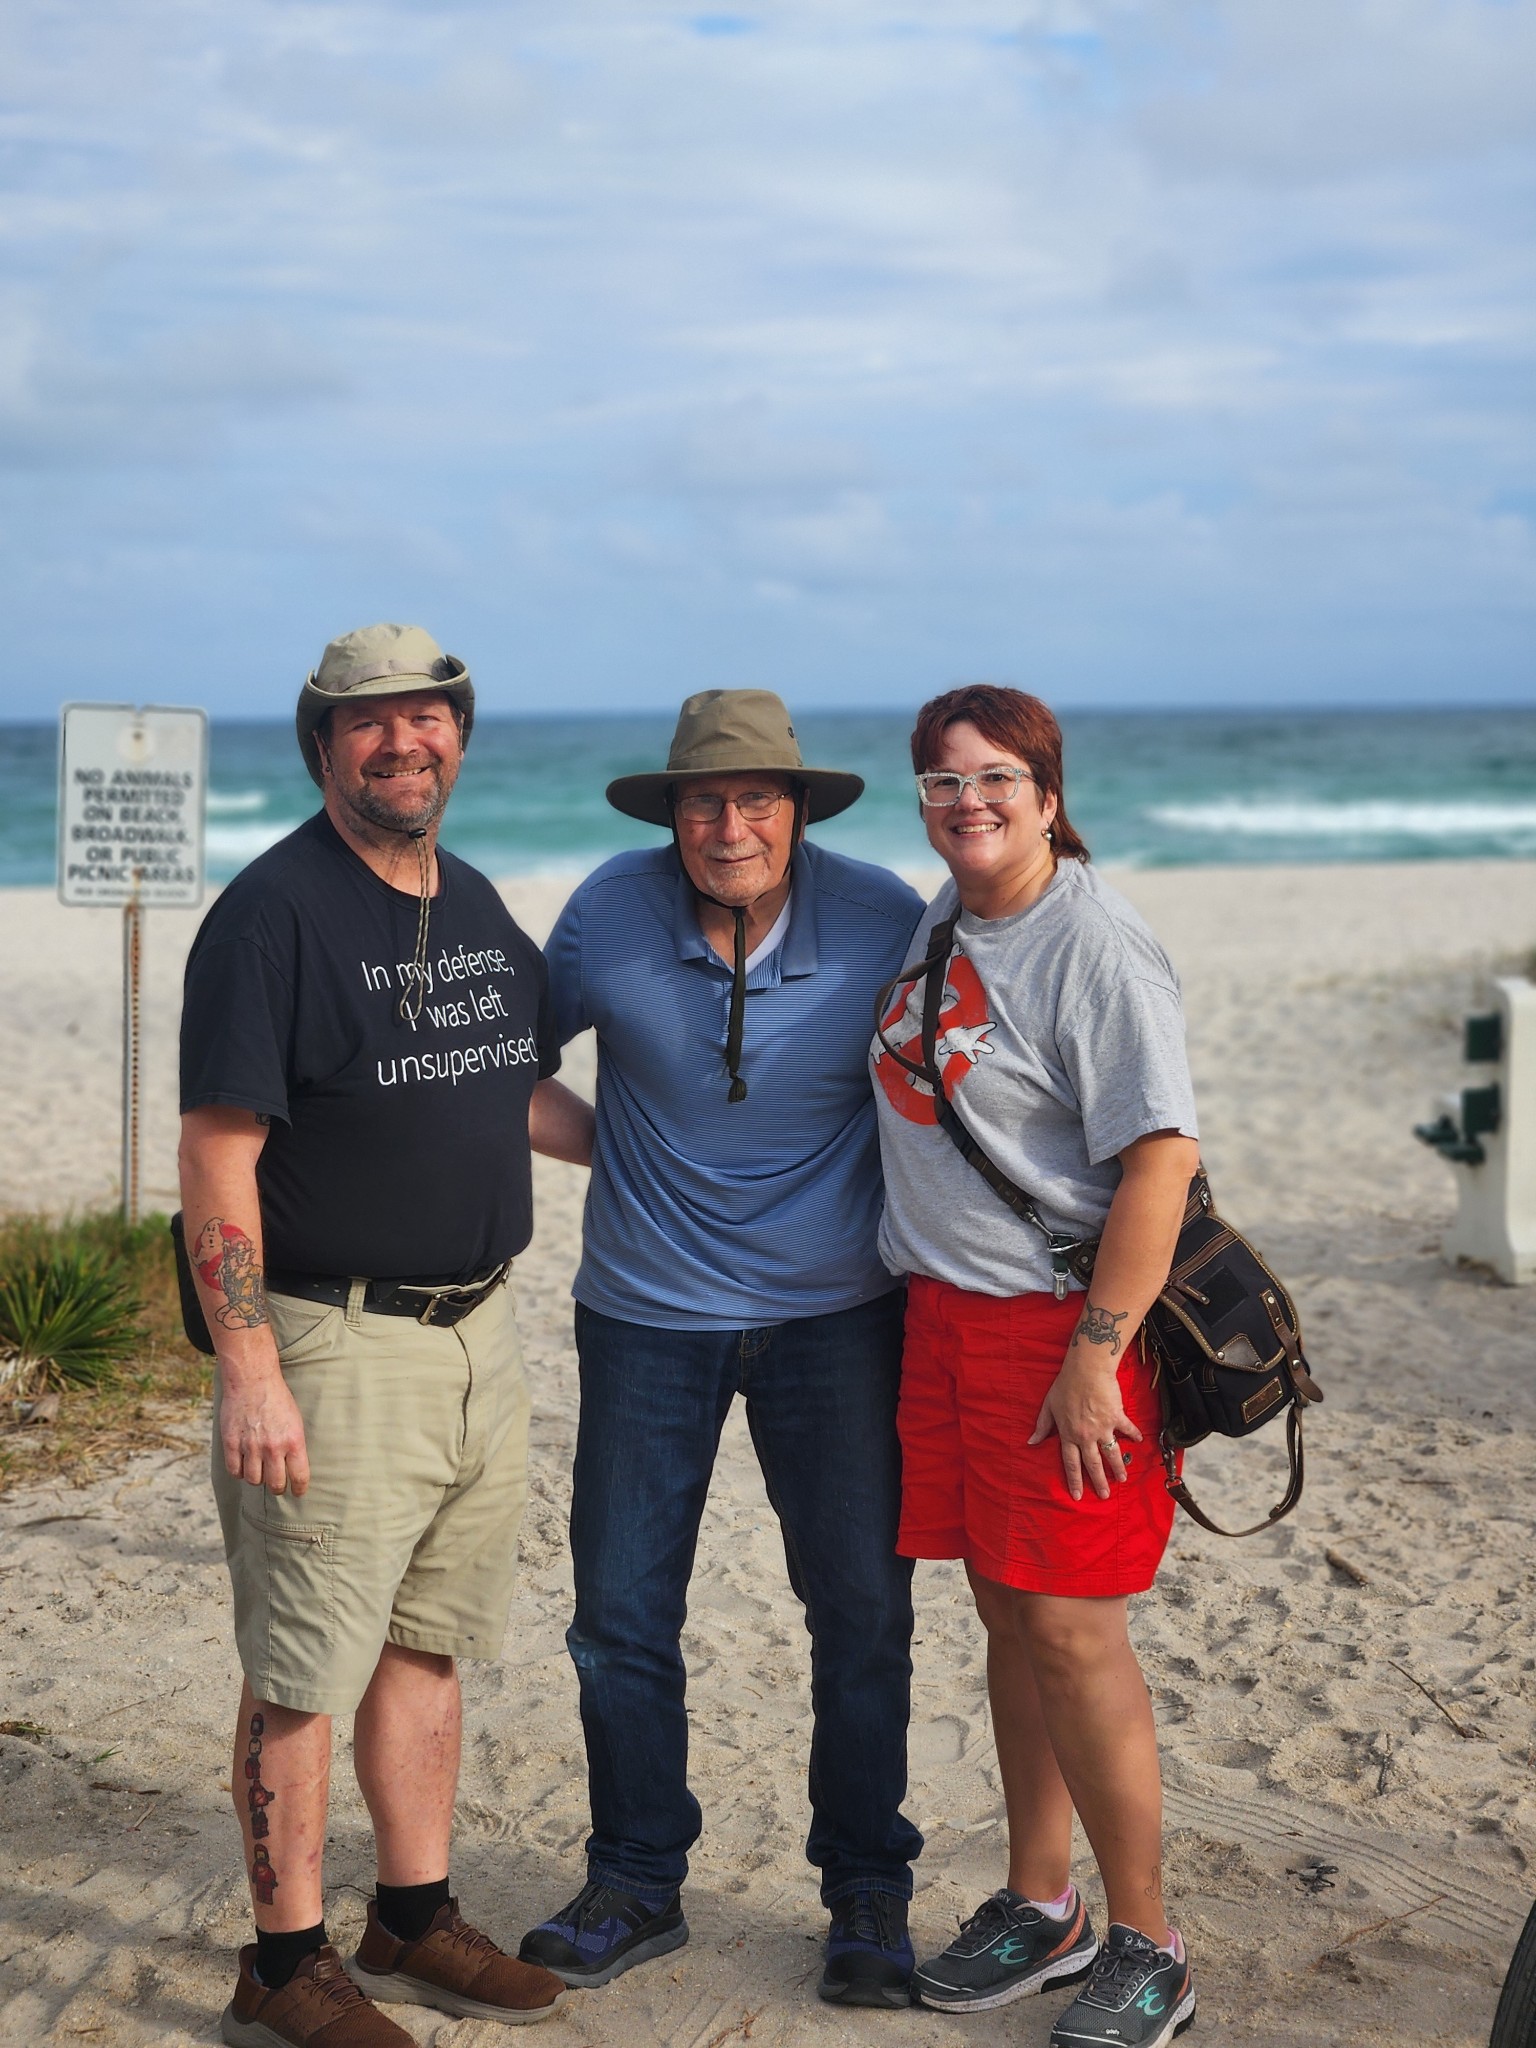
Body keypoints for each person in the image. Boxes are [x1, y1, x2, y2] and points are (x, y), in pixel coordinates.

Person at [179, 623, 592, 2048]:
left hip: (480, 1339)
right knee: (304, 1662)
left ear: (460, 743)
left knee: (426, 1646)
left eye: (426, 720)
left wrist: (667, 1156)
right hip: (333, 1345)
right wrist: (249, 1370)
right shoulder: (272, 916)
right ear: (321, 746)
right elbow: (219, 1151)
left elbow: (510, 1092)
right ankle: (282, 1964)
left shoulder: (470, 902)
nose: (401, 742)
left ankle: (411, 1920)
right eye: (368, 723)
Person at [516, 690, 927, 2007]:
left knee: (860, 1615)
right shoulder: (606, 912)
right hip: (642, 1317)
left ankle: (868, 1890)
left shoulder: (883, 919)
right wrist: (615, 1153)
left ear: (799, 812)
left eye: (757, 799)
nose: (729, 824)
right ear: (670, 813)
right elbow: (503, 1064)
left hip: (842, 1322)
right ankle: (638, 1883)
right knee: (621, 1619)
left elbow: (959, 1086)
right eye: (704, 800)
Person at [869, 685, 1201, 2048]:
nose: (969, 803)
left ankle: (1150, 1943)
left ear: (1049, 795)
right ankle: (1041, 1900)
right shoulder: (944, 916)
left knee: (1074, 1629)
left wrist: (1094, 1359)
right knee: (1009, 1615)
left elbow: (1161, 1162)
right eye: (944, 782)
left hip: (1061, 1333)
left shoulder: (1095, 944)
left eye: (996, 779)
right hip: (944, 1323)